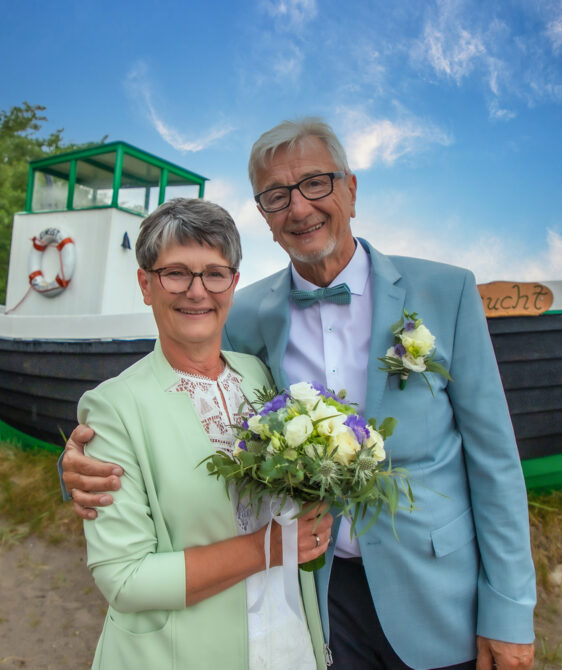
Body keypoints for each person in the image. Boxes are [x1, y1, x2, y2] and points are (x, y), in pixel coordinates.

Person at [63, 120, 536, 670]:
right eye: (276, 196)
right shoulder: (245, 316)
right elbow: (185, 392)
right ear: (264, 216)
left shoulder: (446, 291)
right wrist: (79, 465)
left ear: (351, 190)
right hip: (320, 597)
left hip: (439, 594)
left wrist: (509, 611)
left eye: (316, 183)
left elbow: (495, 458)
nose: (300, 207)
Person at [77, 197, 332, 670]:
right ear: (145, 284)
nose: (197, 291)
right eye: (175, 273)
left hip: (289, 637)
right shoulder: (112, 407)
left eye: (214, 273)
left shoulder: (258, 375)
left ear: (233, 284)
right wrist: (271, 546)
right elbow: (124, 579)